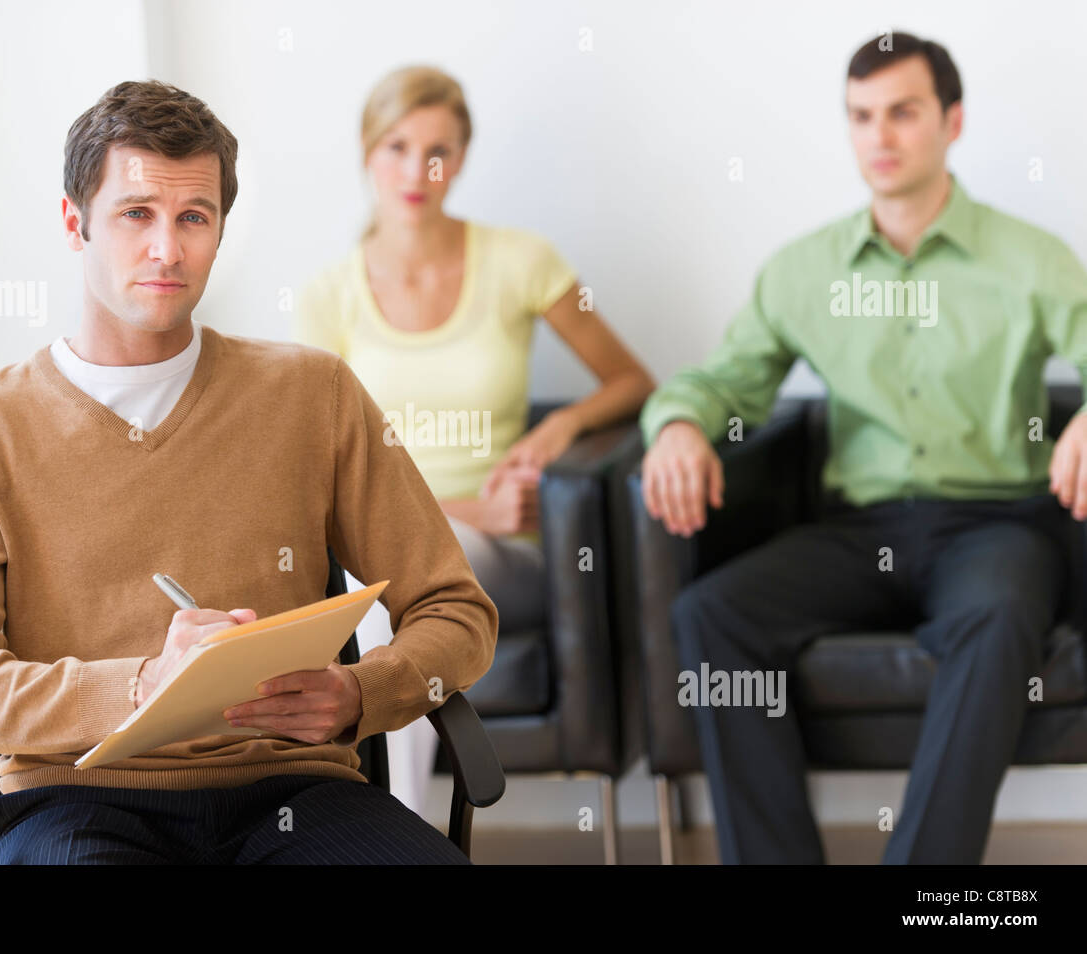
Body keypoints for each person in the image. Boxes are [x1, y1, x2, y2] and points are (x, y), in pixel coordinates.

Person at [0, 79, 498, 865]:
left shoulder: (312, 395)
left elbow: (457, 612)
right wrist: (144, 685)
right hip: (76, 803)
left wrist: (363, 691)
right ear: (74, 223)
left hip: (296, 793)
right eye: (136, 215)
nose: (167, 249)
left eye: (194, 218)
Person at [638, 32, 1087, 864]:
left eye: (903, 113)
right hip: (861, 532)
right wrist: (676, 424)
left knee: (996, 612)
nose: (879, 136)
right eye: (861, 117)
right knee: (712, 611)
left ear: (953, 121)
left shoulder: (1031, 259)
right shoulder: (803, 272)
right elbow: (726, 378)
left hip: (997, 527)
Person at [293, 65, 654, 816]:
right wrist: (464, 512)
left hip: (505, 554)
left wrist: (560, 426)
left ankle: (399, 839)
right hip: (382, 553)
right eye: (397, 146)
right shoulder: (330, 297)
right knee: (372, 598)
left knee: (387, 607)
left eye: (439, 151)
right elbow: (312, 471)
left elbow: (631, 380)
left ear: (460, 160)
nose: (417, 171)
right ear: (368, 153)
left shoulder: (521, 261)